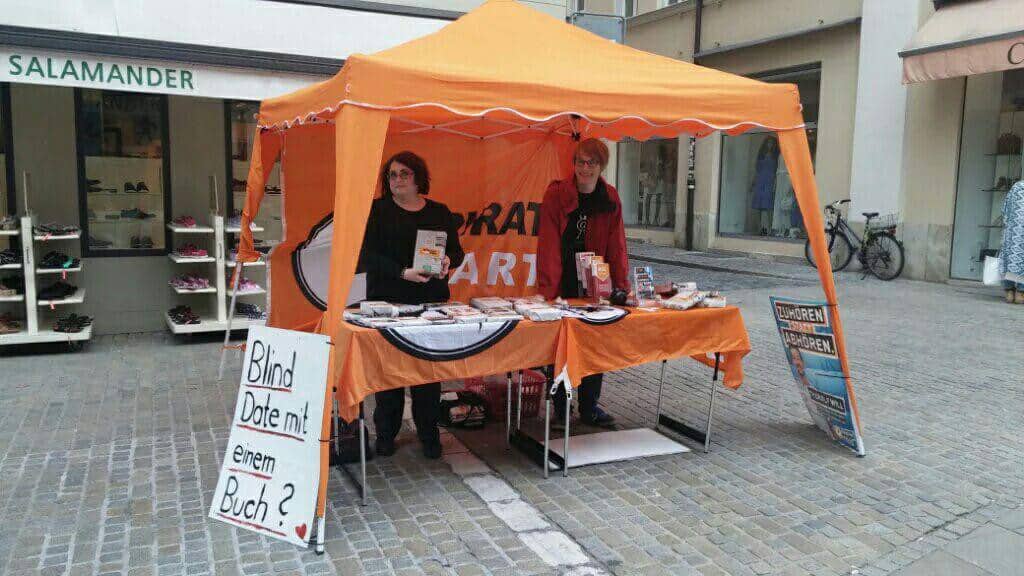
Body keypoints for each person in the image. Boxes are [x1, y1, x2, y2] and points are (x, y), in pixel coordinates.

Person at [358, 151, 465, 459]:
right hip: (387, 302)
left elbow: (456, 252)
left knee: (428, 375)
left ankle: (429, 433)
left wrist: (446, 261)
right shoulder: (377, 211)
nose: (398, 180)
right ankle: (386, 434)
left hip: (429, 302)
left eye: (404, 173)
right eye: (392, 175)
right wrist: (402, 272)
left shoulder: (440, 212)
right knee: (388, 373)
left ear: (419, 177)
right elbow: (366, 255)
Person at [537, 138, 630, 428]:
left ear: (602, 166)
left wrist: (621, 286)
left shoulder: (610, 197)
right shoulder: (556, 194)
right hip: (563, 280)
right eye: (580, 162)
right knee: (561, 345)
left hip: (595, 282)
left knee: (594, 343)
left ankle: (589, 406)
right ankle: (561, 408)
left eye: (591, 163)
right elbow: (548, 246)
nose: (584, 168)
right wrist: (549, 292)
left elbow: (617, 245)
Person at [1001, 180, 1024, 304]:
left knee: (1009, 260)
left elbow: (1004, 209)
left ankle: (1009, 292)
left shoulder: (1016, 187)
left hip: (1012, 233)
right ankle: (1021, 293)